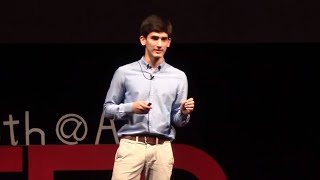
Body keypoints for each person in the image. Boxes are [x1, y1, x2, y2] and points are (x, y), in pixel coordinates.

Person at [103, 14, 195, 180]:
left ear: (169, 42)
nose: (159, 44)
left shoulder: (178, 76)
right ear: (143, 40)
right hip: (132, 144)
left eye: (163, 39)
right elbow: (108, 109)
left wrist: (183, 112)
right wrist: (131, 107)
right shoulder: (124, 72)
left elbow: (178, 121)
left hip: (162, 148)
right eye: (154, 38)